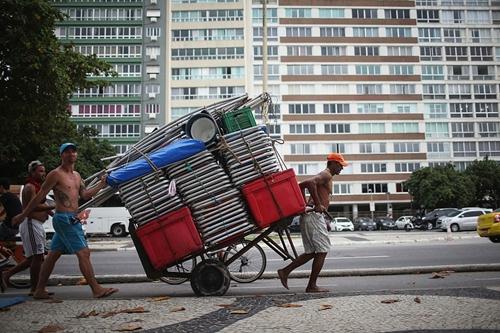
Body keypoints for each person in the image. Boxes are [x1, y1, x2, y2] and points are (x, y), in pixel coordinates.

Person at [12, 143, 118, 299]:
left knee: (53, 255)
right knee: (83, 253)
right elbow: (40, 196)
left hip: (71, 218)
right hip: (64, 219)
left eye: (73, 151)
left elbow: (86, 195)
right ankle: (96, 289)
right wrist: (23, 215)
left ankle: (39, 290)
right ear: (61, 155)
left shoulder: (77, 175)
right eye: (67, 151)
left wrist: (102, 183)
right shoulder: (55, 174)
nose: (71, 154)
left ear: (76, 154)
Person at [278, 153, 348, 293]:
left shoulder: (325, 175)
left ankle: (285, 271)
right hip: (314, 217)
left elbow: (302, 185)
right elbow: (309, 184)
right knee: (322, 250)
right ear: (332, 163)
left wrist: (304, 204)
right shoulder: (326, 174)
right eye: (340, 165)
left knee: (311, 252)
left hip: (312, 216)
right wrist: (316, 204)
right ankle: (311, 286)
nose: (342, 168)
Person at [3, 161, 55, 295]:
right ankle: (35, 289)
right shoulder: (29, 187)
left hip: (36, 225)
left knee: (35, 258)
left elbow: (42, 204)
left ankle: (7, 275)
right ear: (32, 173)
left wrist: (54, 213)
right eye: (40, 171)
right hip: (31, 223)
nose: (43, 174)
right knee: (37, 257)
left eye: (44, 171)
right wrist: (54, 206)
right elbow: (34, 206)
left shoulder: (39, 187)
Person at [0, 178, 23, 242]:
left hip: (8, 227)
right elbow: (5, 210)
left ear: (1, 187)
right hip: (16, 228)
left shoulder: (4, 197)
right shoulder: (13, 196)